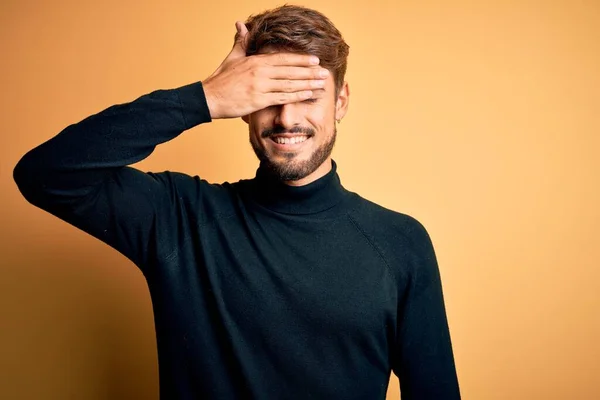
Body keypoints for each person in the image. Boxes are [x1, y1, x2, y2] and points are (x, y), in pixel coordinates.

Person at [13, 5, 461, 400]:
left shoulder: (400, 243)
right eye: (270, 96)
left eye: (308, 96)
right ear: (243, 103)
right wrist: (204, 98)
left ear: (340, 101)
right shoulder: (180, 217)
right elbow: (45, 173)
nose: (287, 118)